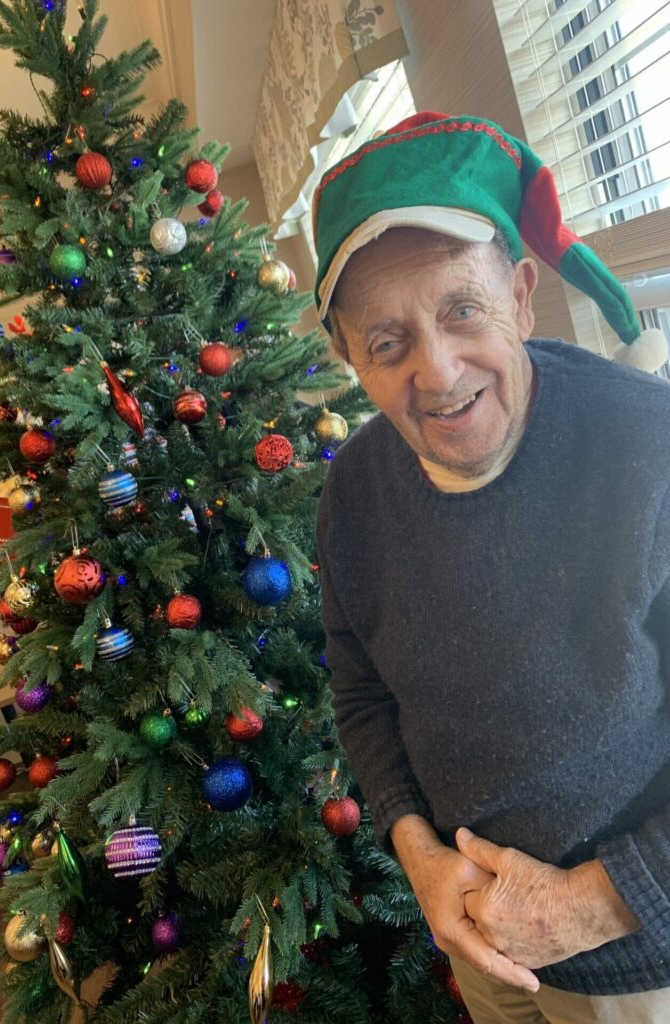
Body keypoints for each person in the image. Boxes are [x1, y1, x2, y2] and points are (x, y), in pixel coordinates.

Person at [313, 111, 670, 1023]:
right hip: (477, 949)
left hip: (639, 963)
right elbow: (361, 696)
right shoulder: (350, 496)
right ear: (349, 357)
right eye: (387, 343)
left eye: (461, 310)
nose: (436, 373)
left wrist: (595, 902)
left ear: (519, 294)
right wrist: (418, 854)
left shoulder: (648, 444)